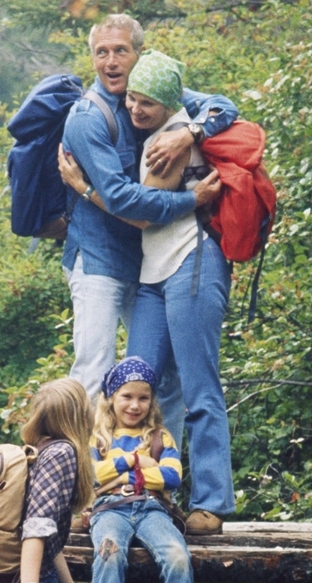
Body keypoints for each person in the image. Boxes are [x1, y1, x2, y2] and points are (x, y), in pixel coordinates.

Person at [60, 49, 235, 534]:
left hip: (192, 262)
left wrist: (84, 189)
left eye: (147, 104)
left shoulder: (168, 140)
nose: (136, 110)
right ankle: (122, 492)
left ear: (169, 103)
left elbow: (136, 211)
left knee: (200, 384)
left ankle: (212, 503)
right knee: (134, 387)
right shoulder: (165, 126)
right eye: (132, 100)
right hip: (153, 273)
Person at [14, 377, 161, 583]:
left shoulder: (41, 449)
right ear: (78, 415)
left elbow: (51, 538)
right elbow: (36, 524)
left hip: (37, 580)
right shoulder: (62, 453)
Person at [87, 357, 200, 583]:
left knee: (177, 555)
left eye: (143, 397)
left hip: (151, 508)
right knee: (108, 553)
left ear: (152, 401)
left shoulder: (160, 437)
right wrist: (133, 464)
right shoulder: (98, 438)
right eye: (127, 396)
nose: (135, 405)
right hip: (110, 509)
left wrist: (120, 473)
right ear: (111, 397)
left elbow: (173, 476)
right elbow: (94, 475)